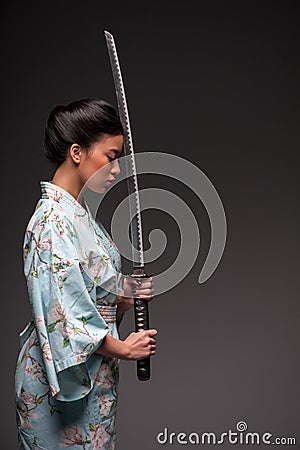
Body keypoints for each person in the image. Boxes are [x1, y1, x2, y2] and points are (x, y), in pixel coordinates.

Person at [15, 98, 157, 449]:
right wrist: (123, 349)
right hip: (61, 383)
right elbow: (64, 315)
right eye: (110, 157)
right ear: (77, 152)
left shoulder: (79, 217)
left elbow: (93, 301)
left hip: (96, 375)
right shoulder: (51, 222)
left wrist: (124, 298)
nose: (116, 169)